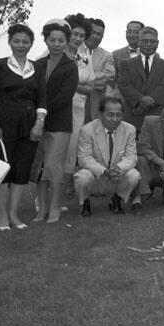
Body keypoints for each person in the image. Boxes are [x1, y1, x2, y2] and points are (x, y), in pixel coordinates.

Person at [0, 24, 46, 230]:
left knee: (22, 169)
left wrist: (38, 125)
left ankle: (13, 214)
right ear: (10, 42)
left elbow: (42, 101)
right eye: (16, 41)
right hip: (4, 124)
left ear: (31, 44)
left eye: (25, 41)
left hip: (30, 126)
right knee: (1, 169)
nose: (21, 45)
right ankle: (1, 215)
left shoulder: (36, 68)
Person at [32, 20, 79, 223]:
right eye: (53, 40)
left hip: (59, 122)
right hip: (37, 123)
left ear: (66, 42)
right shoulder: (37, 65)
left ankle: (55, 208)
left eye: (61, 40)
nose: (57, 44)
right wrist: (38, 116)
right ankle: (41, 209)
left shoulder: (70, 66)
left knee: (53, 165)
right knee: (40, 166)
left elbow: (65, 95)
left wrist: (43, 111)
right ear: (46, 41)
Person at [74, 97, 140, 216]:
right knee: (82, 177)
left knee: (134, 175)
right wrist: (104, 171)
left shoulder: (130, 130)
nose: (114, 119)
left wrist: (118, 169)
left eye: (118, 115)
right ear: (100, 114)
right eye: (110, 115)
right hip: (96, 176)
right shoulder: (87, 130)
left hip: (117, 176)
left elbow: (131, 157)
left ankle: (117, 199)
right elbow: (84, 158)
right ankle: (84, 202)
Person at [117, 26, 164, 131]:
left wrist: (143, 106)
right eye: (145, 41)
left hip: (156, 117)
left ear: (157, 43)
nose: (148, 44)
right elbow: (123, 85)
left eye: (152, 41)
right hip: (132, 116)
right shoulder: (126, 64)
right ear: (139, 42)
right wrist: (140, 99)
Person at [63, 14, 95, 185]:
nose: (77, 38)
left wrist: (71, 85)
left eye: (82, 35)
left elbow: (90, 87)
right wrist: (76, 85)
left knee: (71, 151)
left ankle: (58, 197)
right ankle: (42, 199)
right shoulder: (54, 52)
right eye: (74, 34)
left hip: (77, 110)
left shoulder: (85, 56)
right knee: (53, 153)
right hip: (57, 109)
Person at [85, 18, 115, 120]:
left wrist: (78, 79)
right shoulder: (73, 50)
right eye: (92, 32)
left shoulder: (107, 56)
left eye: (99, 34)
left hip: (95, 108)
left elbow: (106, 78)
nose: (95, 36)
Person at [110, 20, 144, 98]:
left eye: (136, 32)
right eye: (129, 31)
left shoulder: (153, 55)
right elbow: (112, 81)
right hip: (121, 100)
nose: (132, 35)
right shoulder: (115, 55)